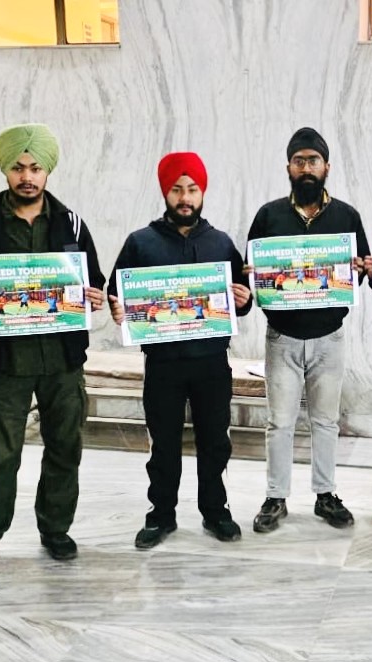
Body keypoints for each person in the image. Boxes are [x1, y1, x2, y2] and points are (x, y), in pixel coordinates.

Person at [0, 124, 106, 581]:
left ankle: (55, 529)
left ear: (47, 171)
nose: (27, 177)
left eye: (35, 168)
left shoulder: (71, 223)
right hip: (5, 363)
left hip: (62, 361)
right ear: (5, 170)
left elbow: (94, 278)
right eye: (18, 168)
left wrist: (94, 294)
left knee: (64, 448)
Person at [107, 152, 253, 547]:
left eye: (192, 189)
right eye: (176, 190)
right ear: (165, 193)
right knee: (164, 444)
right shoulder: (140, 242)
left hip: (211, 363)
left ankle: (215, 511)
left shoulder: (220, 243)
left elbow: (241, 298)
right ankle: (161, 515)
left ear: (202, 192)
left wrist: (244, 300)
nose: (184, 198)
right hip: (163, 364)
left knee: (215, 442)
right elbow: (116, 292)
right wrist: (119, 308)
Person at [246, 128, 371, 533]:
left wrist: (362, 268)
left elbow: (363, 270)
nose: (306, 168)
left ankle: (325, 494)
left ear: (326, 167)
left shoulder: (346, 217)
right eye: (299, 161)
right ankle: (275, 497)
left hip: (328, 337)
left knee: (326, 421)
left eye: (313, 161)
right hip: (282, 337)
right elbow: (249, 275)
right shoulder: (269, 216)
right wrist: (251, 274)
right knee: (279, 423)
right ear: (288, 167)